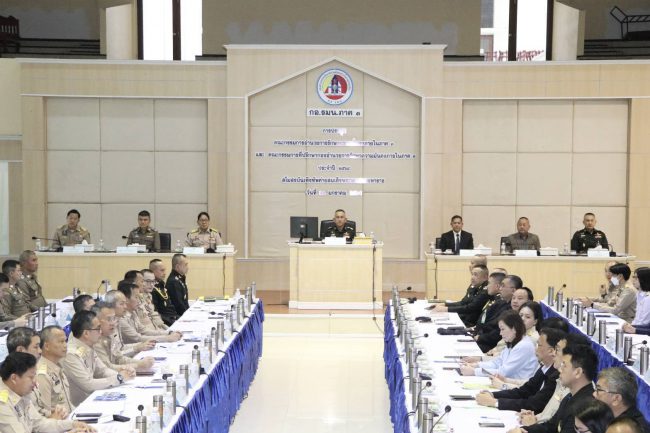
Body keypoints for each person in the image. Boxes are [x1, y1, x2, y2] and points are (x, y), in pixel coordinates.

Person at [509, 343, 598, 433]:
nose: (560, 369)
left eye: (564, 365)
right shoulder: (569, 397)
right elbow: (550, 427)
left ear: (578, 372)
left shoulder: (585, 407)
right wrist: (523, 430)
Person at [475, 327, 564, 413]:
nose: (535, 349)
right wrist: (493, 395)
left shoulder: (555, 375)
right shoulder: (544, 368)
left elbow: (535, 404)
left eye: (539, 345)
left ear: (551, 351)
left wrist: (495, 402)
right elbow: (524, 391)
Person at [0, 352, 94, 433]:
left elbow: (39, 424)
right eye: (31, 377)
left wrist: (73, 424)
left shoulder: (20, 391)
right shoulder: (2, 403)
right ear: (14, 378)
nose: (35, 381)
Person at [62, 310, 134, 406]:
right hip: (81, 406)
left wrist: (124, 375)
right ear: (86, 333)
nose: (100, 332)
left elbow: (103, 370)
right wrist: (118, 378)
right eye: (98, 329)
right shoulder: (71, 354)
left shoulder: (87, 347)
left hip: (93, 399)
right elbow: (88, 385)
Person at [518, 333, 590, 427]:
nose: (553, 353)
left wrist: (532, 424)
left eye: (558, 350)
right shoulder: (560, 380)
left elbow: (553, 426)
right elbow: (548, 417)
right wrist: (535, 417)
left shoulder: (576, 395)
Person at [460, 310, 538, 380]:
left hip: (516, 386)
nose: (500, 333)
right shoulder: (513, 342)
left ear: (514, 329)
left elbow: (504, 372)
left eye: (503, 329)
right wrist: (476, 365)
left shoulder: (524, 346)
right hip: (505, 382)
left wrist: (474, 371)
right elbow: (497, 363)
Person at [92, 303, 155, 373]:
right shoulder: (94, 342)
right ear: (96, 322)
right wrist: (138, 365)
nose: (113, 323)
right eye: (109, 319)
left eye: (114, 318)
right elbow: (107, 368)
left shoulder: (109, 335)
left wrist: (140, 362)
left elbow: (119, 358)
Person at [116, 282, 182, 344]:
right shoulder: (121, 319)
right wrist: (167, 338)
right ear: (126, 299)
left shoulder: (133, 312)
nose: (139, 301)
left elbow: (144, 331)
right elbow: (138, 338)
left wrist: (169, 333)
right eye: (136, 297)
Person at [31, 326, 74, 418]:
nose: (65, 345)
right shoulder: (42, 374)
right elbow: (46, 414)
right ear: (47, 346)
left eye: (65, 341)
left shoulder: (58, 366)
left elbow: (68, 405)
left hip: (69, 418)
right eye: (61, 342)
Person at [473, 274, 522, 353]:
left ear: (513, 290)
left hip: (490, 345)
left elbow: (498, 333)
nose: (500, 288)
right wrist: (476, 333)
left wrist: (480, 337)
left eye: (503, 286)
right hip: (482, 338)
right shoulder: (500, 302)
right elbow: (485, 321)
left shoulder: (512, 310)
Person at [593, 367, 650, 433]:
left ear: (616, 399)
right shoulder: (609, 418)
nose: (594, 394)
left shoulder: (628, 429)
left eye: (599, 390)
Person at [149, 259, 178, 326]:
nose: (164, 273)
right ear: (153, 272)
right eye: (162, 270)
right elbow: (156, 313)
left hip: (173, 317)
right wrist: (172, 321)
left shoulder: (161, 284)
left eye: (164, 270)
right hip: (166, 322)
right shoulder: (152, 290)